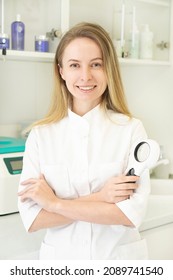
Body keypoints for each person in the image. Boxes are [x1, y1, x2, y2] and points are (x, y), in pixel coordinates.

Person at [18, 22, 150, 260]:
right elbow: (33, 219)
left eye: (96, 64)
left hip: (117, 265)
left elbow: (129, 215)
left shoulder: (131, 129)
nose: (85, 76)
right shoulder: (40, 136)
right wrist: (101, 198)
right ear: (61, 71)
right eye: (74, 65)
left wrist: (54, 204)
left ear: (108, 69)